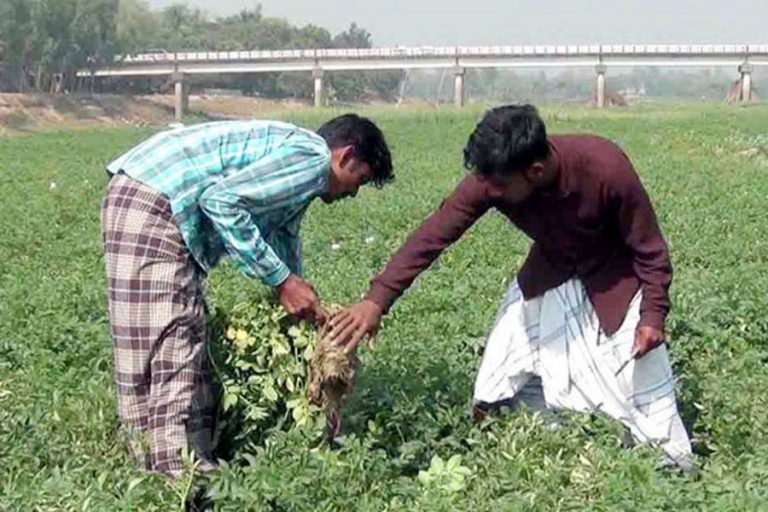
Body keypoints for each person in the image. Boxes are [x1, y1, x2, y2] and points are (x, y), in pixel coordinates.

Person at [328, 104, 693, 470]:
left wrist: (653, 314)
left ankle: (668, 467)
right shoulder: (495, 176)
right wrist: (377, 300)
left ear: (535, 171)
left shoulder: (604, 166)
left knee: (642, 379)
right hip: (550, 272)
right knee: (502, 372)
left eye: (498, 185)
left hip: (616, 279)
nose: (488, 191)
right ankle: (543, 444)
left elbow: (650, 250)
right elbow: (434, 234)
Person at [100, 115, 393, 476]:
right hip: (156, 202)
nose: (353, 192)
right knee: (172, 343)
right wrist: (283, 282)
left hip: (143, 193)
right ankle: (174, 481)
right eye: (359, 180)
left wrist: (300, 300)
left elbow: (283, 238)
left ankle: (164, 466)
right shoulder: (313, 159)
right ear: (345, 156)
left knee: (165, 343)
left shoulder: (298, 166)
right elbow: (221, 202)